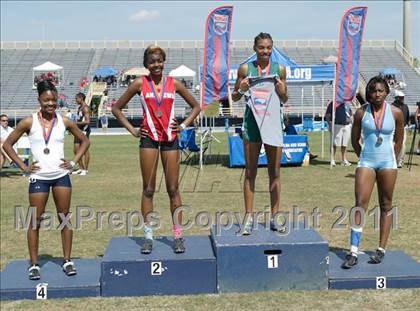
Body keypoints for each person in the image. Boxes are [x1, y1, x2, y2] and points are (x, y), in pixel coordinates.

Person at [112, 45, 201, 254]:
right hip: (149, 139)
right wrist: (132, 130)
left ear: (164, 61)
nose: (156, 65)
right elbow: (116, 108)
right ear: (146, 64)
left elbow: (196, 106)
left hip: (170, 139)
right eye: (152, 61)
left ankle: (178, 236)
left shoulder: (175, 83)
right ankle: (148, 236)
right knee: (148, 189)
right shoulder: (138, 84)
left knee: (173, 189)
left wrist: (184, 125)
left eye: (159, 61)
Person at [2, 80, 90, 280]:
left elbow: (85, 141)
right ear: (39, 100)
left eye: (53, 100)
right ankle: (34, 264)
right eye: (46, 100)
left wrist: (74, 161)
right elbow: (7, 144)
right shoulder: (28, 121)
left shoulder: (64, 121)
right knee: (35, 220)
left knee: (65, 218)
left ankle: (67, 261)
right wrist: (23, 166)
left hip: (61, 176)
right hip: (39, 178)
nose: (50, 104)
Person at [341, 76, 404, 269]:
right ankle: (353, 250)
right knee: (360, 203)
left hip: (388, 163)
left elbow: (399, 139)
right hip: (366, 161)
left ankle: (381, 249)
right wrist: (363, 158)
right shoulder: (361, 113)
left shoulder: (396, 113)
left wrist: (391, 158)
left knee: (386, 204)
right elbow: (354, 140)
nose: (377, 94)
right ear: (368, 93)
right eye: (373, 91)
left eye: (380, 91)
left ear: (387, 92)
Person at [232, 33, 288, 235]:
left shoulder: (279, 69)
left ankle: (275, 217)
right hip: (252, 123)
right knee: (250, 172)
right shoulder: (245, 69)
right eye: (261, 47)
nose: (265, 51)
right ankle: (248, 218)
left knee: (274, 173)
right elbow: (235, 97)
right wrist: (241, 88)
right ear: (254, 49)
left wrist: (282, 90)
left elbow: (284, 98)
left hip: (273, 122)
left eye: (268, 47)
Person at [325, 100, 353, 166]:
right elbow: (328, 114)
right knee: (334, 143)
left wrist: (352, 122)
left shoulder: (347, 103)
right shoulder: (333, 103)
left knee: (345, 144)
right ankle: (332, 159)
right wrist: (329, 124)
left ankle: (343, 160)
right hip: (337, 124)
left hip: (347, 125)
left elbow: (350, 114)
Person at [73, 92, 91, 176]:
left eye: (76, 98)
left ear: (81, 98)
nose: (75, 100)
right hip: (78, 130)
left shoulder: (85, 108)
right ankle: (81, 168)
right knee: (76, 150)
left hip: (84, 130)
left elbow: (87, 121)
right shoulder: (80, 107)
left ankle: (85, 170)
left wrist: (75, 123)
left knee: (85, 150)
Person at [391, 90, 410, 168]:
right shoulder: (391, 106)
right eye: (401, 97)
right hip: (393, 128)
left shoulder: (405, 106)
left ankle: (400, 161)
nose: (403, 99)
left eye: (403, 97)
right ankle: (393, 160)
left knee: (402, 145)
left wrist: (408, 125)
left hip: (403, 128)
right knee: (392, 144)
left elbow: (407, 117)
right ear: (397, 98)